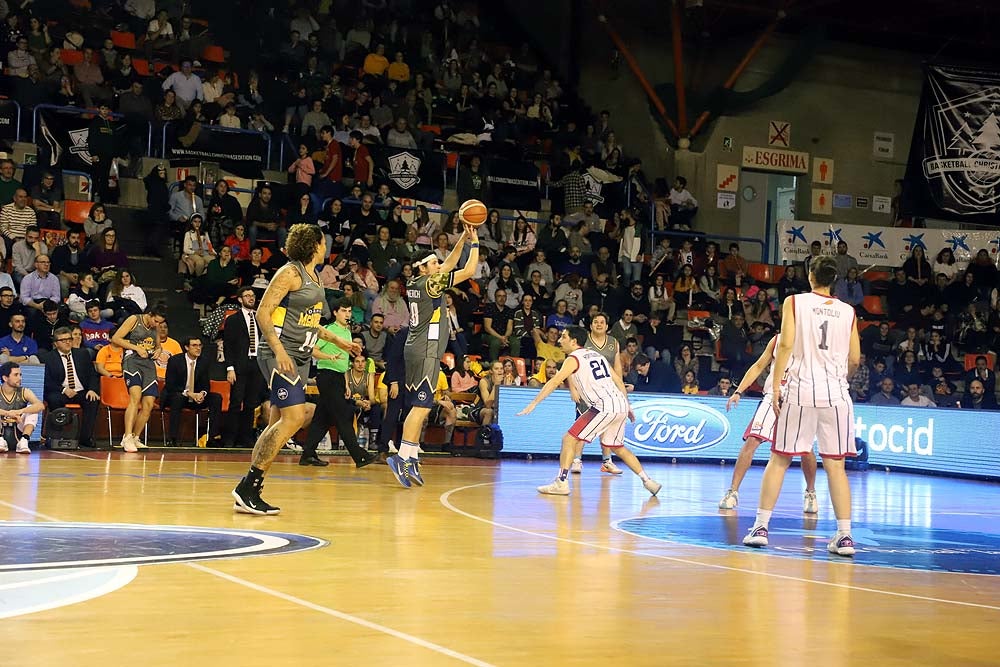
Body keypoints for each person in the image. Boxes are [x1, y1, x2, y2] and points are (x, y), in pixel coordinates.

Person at [232, 225, 360, 515]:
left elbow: (308, 321)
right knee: (294, 417)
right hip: (282, 354)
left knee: (276, 424)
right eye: (323, 241)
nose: (326, 245)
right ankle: (246, 487)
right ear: (314, 244)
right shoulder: (290, 272)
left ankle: (249, 489)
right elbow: (263, 312)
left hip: (301, 356)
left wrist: (338, 340)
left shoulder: (313, 276)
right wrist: (278, 351)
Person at [744, 256, 861, 557]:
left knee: (780, 459)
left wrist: (774, 385)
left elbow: (785, 345)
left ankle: (760, 527)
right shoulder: (848, 312)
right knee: (836, 466)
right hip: (836, 395)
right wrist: (839, 379)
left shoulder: (794, 302)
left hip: (800, 391)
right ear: (833, 279)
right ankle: (845, 536)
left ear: (810, 276)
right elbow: (855, 359)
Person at [518, 326, 662, 497]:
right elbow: (618, 381)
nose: (559, 340)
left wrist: (534, 402)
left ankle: (561, 482)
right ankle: (649, 481)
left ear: (573, 341)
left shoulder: (573, 358)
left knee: (568, 439)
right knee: (617, 447)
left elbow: (555, 381)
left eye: (563, 337)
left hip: (604, 406)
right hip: (619, 404)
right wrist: (627, 405)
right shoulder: (597, 355)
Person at [387, 223, 479, 488]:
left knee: (420, 405)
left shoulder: (419, 282)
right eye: (432, 262)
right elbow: (469, 270)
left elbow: (448, 263)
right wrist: (474, 243)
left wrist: (462, 237)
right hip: (426, 350)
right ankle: (402, 457)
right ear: (422, 268)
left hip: (416, 348)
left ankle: (412, 456)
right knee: (421, 406)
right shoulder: (431, 283)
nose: (438, 264)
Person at [719, 333, 818, 512]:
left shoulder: (812, 340)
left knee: (806, 449)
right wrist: (739, 391)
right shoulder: (778, 339)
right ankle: (732, 492)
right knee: (752, 441)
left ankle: (810, 492)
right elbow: (758, 366)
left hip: (799, 398)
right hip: (772, 396)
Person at [301, 298, 380, 467]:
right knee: (343, 415)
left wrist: (345, 383)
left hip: (337, 377)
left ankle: (307, 454)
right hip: (327, 375)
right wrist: (329, 357)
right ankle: (360, 456)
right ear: (335, 313)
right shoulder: (329, 330)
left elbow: (343, 360)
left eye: (349, 311)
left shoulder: (347, 332)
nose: (347, 314)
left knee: (322, 419)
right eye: (343, 311)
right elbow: (312, 350)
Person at [568, 312, 625, 475]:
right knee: (582, 427)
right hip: (586, 392)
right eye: (595, 322)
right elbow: (571, 364)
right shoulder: (583, 341)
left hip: (606, 393)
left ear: (607, 327)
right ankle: (577, 460)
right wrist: (572, 388)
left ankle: (607, 462)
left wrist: (619, 388)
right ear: (591, 325)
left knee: (607, 427)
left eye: (602, 322)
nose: (599, 324)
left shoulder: (614, 342)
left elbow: (617, 367)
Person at [111, 304, 167, 452]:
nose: (157, 325)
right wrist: (136, 348)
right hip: (132, 360)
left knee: (149, 403)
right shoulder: (134, 319)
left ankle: (136, 437)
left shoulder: (155, 327)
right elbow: (116, 338)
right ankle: (127, 437)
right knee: (135, 397)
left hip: (148, 363)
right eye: (156, 321)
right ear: (149, 314)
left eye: (160, 323)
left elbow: (158, 345)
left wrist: (159, 350)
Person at [44, 326, 100, 450]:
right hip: (61, 391)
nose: (68, 342)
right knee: (53, 399)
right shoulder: (48, 357)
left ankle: (85, 438)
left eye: (69, 339)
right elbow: (47, 381)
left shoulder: (82, 353)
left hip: (80, 391)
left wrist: (92, 389)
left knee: (93, 400)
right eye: (63, 340)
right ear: (56, 344)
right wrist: (64, 390)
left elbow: (92, 374)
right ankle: (59, 437)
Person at [222, 287, 265, 449]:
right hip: (240, 363)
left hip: (257, 363)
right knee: (235, 402)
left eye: (253, 296)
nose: (251, 298)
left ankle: (246, 438)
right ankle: (229, 438)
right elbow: (228, 346)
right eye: (247, 296)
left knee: (251, 403)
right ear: (240, 299)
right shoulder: (233, 319)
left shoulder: (260, 318)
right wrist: (230, 368)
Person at [162, 336, 223, 446]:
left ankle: (212, 438)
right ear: (186, 347)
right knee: (178, 398)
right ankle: (173, 439)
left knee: (216, 398)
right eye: (194, 345)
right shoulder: (175, 361)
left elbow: (205, 384)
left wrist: (202, 394)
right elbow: (170, 385)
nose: (198, 348)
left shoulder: (204, 361)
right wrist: (189, 393)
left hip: (196, 398)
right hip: (178, 395)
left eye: (200, 345)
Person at [0, 362, 44, 454]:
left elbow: (40, 405)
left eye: (20, 375)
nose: (20, 378)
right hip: (2, 428)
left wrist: (20, 411)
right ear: (5, 378)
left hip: (18, 428)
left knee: (32, 409)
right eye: (16, 375)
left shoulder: (24, 391)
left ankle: (24, 441)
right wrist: (8, 413)